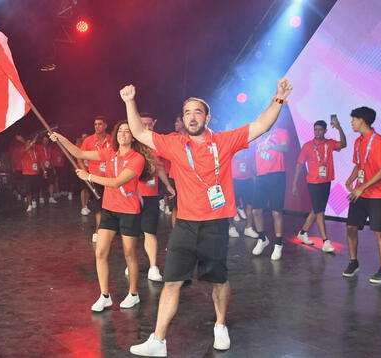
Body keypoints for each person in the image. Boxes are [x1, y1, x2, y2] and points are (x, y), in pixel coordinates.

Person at [125, 79, 293, 356]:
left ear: (207, 117)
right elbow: (140, 133)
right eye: (187, 112)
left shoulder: (224, 141)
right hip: (185, 226)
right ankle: (158, 340)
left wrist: (279, 98)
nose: (192, 117)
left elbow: (261, 126)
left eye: (197, 112)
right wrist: (130, 102)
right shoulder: (174, 144)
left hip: (215, 225)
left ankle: (220, 325)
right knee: (172, 282)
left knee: (217, 280)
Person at [50, 121, 155, 311]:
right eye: (120, 131)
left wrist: (88, 176)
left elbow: (116, 183)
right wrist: (60, 139)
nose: (123, 134)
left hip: (129, 211)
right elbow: (79, 153)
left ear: (133, 136)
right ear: (116, 135)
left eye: (127, 131)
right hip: (109, 209)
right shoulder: (110, 153)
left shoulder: (137, 158)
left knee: (129, 254)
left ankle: (133, 294)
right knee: (100, 252)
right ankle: (105, 295)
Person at [342, 107, 381, 284]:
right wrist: (350, 180)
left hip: (377, 194)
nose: (352, 122)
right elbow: (359, 165)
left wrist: (362, 187)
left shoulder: (379, 141)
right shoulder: (358, 141)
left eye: (354, 119)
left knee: (379, 232)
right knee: (351, 227)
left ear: (362, 120)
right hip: (359, 192)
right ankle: (353, 262)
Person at [126, 113, 175, 282]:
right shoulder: (132, 145)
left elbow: (160, 167)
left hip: (152, 196)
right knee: (132, 234)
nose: (147, 128)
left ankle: (153, 267)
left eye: (150, 125)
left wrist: (168, 185)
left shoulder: (157, 144)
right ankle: (131, 263)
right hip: (133, 196)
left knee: (150, 231)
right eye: (144, 125)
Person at [292, 117, 347, 252]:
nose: (317, 132)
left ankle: (303, 232)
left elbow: (343, 144)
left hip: (326, 181)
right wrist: (294, 184)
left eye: (320, 130)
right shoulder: (307, 146)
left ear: (325, 131)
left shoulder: (329, 143)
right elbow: (299, 165)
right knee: (320, 211)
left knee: (317, 209)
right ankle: (325, 241)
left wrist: (339, 127)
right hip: (313, 182)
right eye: (315, 130)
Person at [251, 122, 290, 260]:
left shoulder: (281, 131)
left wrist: (272, 146)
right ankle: (262, 239)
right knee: (256, 211)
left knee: (276, 212)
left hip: (276, 175)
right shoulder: (259, 136)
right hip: (261, 176)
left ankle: (278, 244)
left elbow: (286, 147)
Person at [79, 116, 113, 242]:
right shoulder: (88, 140)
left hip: (110, 179)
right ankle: (98, 231)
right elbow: (79, 157)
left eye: (99, 124)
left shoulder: (112, 139)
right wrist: (85, 172)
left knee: (109, 207)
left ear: (105, 125)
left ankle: (110, 230)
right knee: (98, 207)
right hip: (95, 179)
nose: (97, 126)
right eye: (95, 124)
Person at [229, 148, 259, 238]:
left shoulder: (250, 151)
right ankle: (231, 227)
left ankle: (248, 228)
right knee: (231, 205)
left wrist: (255, 179)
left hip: (248, 181)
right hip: (234, 180)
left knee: (250, 204)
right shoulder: (233, 151)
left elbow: (253, 166)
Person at [20, 136, 44, 212]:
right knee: (28, 190)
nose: (31, 144)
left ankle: (33, 200)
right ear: (26, 144)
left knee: (35, 190)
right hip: (27, 174)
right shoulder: (23, 151)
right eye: (29, 143)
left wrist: (44, 171)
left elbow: (40, 162)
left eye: (31, 143)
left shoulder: (35, 152)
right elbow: (25, 150)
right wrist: (31, 143)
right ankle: (29, 205)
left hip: (36, 173)